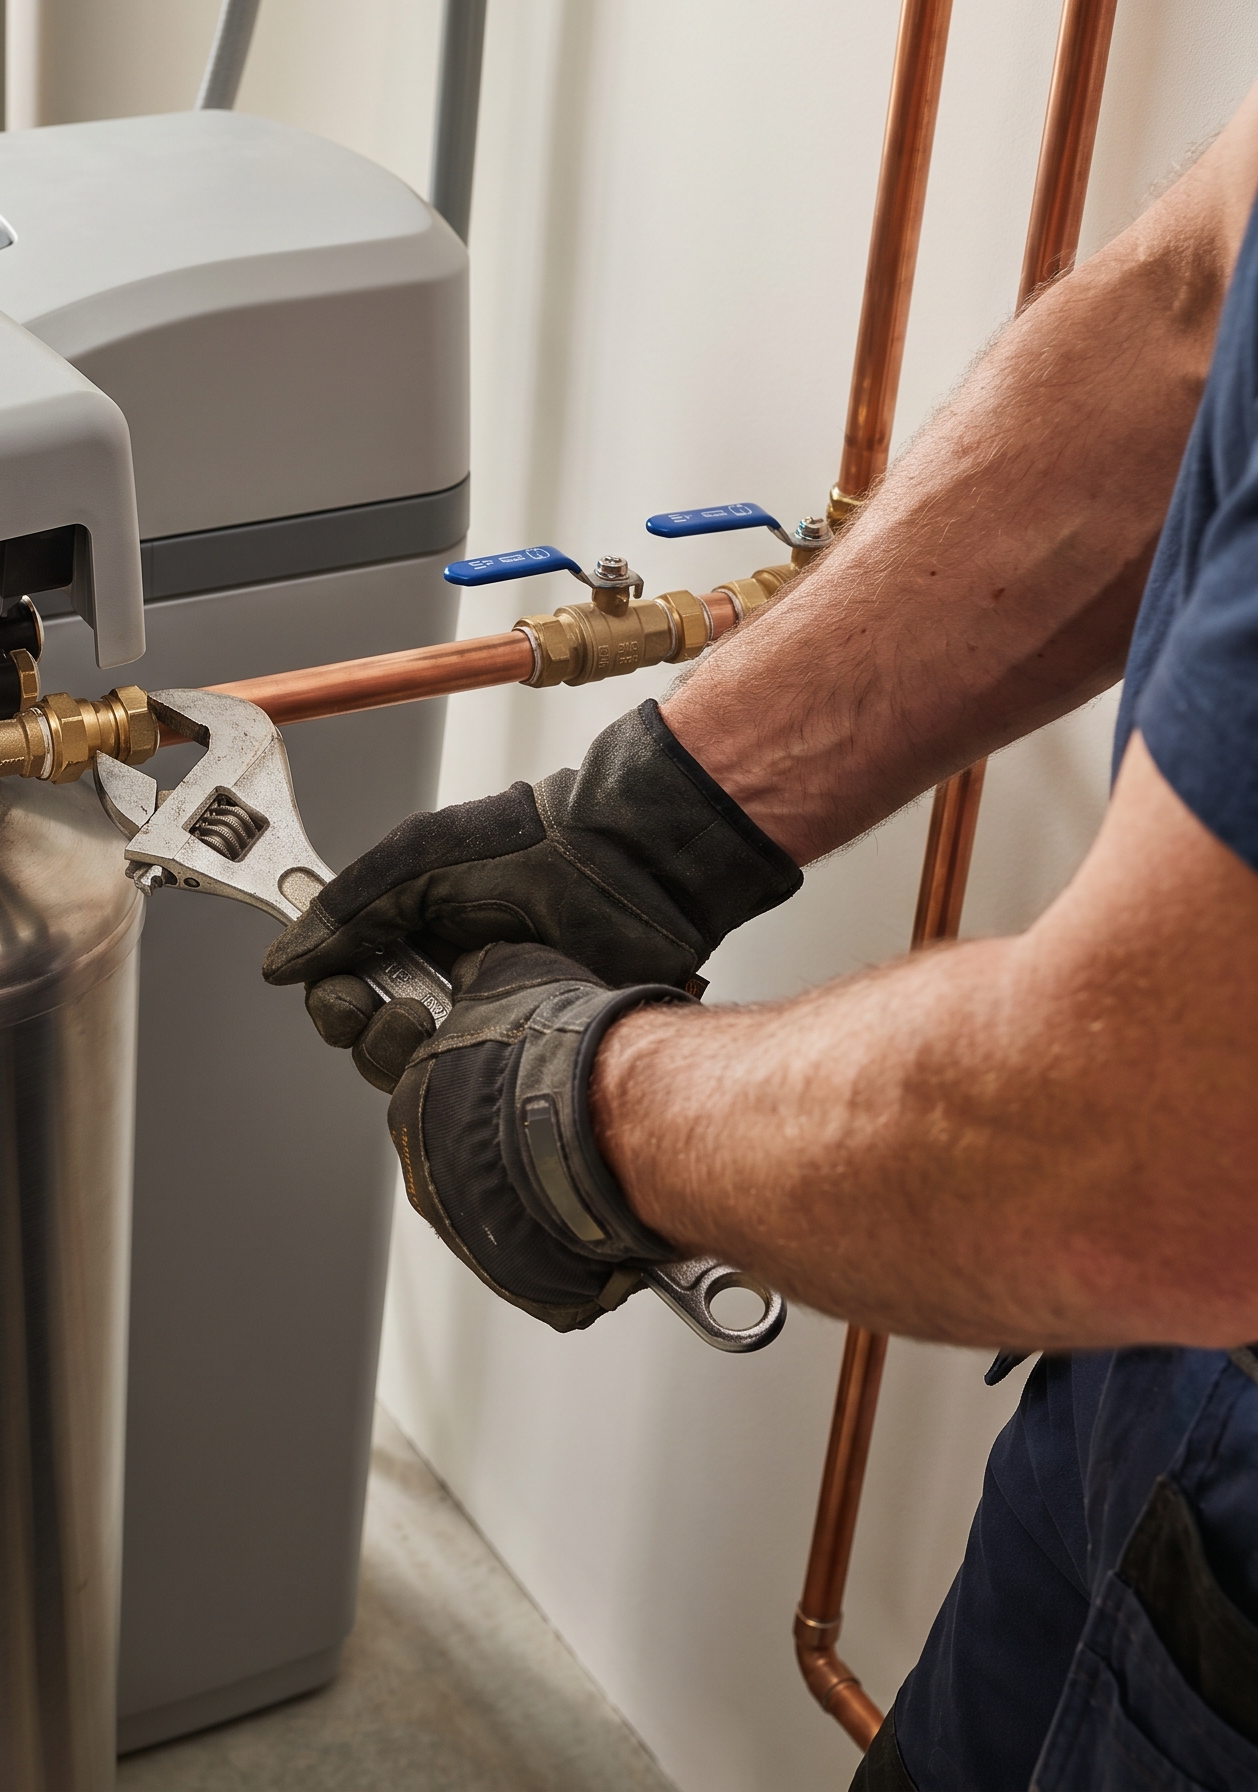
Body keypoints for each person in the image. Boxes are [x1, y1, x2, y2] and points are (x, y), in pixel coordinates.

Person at [262, 80, 1258, 1792]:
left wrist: (590, 1116)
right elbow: (1192, 314)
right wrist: (655, 825)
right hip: (1151, 1392)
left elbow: (1154, 1152)